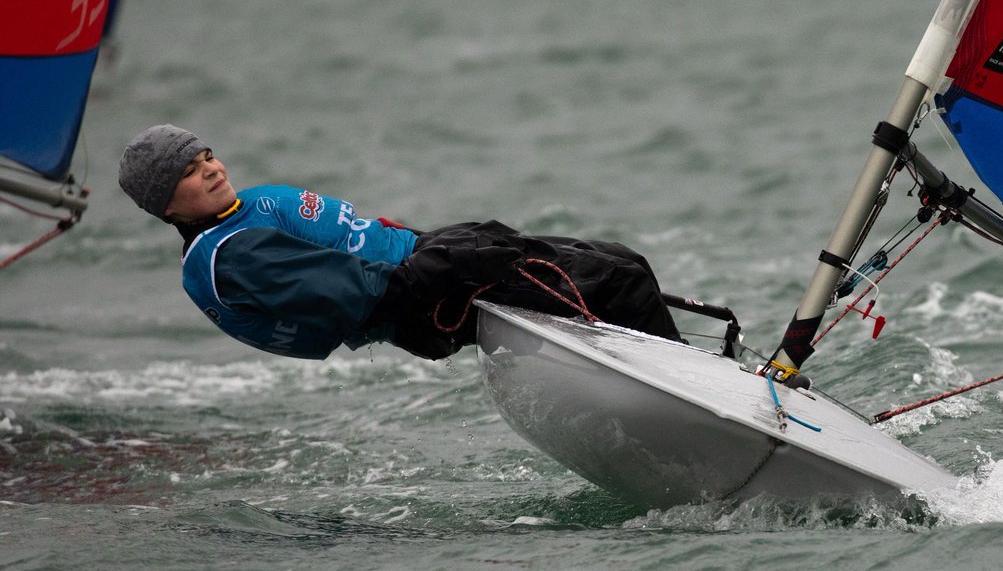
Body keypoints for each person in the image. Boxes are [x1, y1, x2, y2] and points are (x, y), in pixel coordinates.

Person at [118, 124, 682, 361]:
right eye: (189, 172)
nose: (211, 169)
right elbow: (370, 298)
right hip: (429, 301)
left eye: (206, 155)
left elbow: (360, 245)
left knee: (620, 261)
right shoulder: (233, 256)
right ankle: (693, 404)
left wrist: (444, 244)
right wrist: (452, 259)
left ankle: (686, 375)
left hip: (429, 258)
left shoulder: (244, 214)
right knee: (621, 281)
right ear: (165, 204)